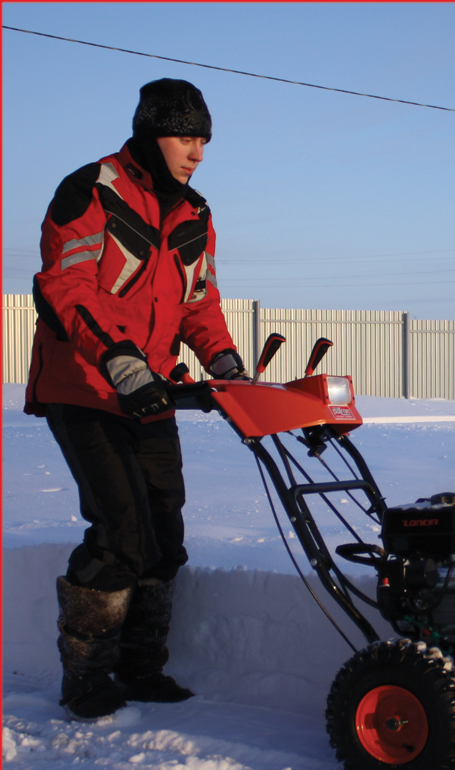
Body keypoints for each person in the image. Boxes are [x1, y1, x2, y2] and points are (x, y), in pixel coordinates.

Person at [24, 78, 249, 719]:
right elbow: (65, 286)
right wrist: (118, 358)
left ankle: (142, 668)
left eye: (204, 139)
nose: (198, 151)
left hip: (150, 393)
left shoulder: (195, 215)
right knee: (120, 529)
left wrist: (223, 360)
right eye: (186, 136)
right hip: (85, 386)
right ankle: (87, 677)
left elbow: (198, 301)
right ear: (153, 133)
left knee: (164, 529)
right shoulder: (91, 189)